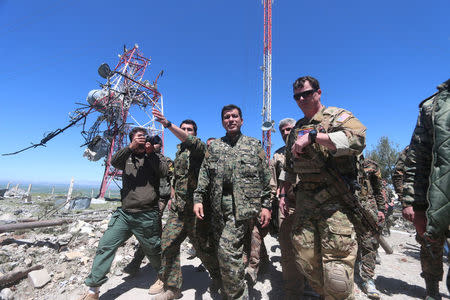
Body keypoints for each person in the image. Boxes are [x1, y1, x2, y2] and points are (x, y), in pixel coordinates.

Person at [283, 76, 366, 299]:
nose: (302, 99)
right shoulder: (296, 129)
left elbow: (358, 140)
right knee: (306, 261)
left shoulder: (338, 116)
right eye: (297, 96)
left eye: (307, 94)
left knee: (337, 274)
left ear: (318, 93)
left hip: (335, 203)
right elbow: (290, 167)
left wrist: (314, 137)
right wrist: (284, 193)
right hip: (305, 205)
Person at [78, 127, 168, 300]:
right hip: (125, 214)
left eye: (144, 137)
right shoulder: (126, 156)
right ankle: (93, 290)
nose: (142, 140)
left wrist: (150, 153)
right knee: (106, 246)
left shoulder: (155, 157)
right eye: (138, 137)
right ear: (132, 139)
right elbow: (114, 162)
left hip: (147, 214)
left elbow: (163, 171)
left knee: (154, 250)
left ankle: (164, 276)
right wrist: (130, 147)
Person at [193, 104, 272, 299]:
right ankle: (229, 282)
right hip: (219, 207)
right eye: (227, 117)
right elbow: (204, 174)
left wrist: (266, 205)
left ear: (241, 120)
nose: (231, 119)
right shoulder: (215, 147)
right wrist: (198, 198)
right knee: (226, 251)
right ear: (222, 122)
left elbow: (265, 177)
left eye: (235, 116)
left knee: (227, 251)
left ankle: (236, 295)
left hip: (243, 207)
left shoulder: (253, 145)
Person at [151, 109, 221, 300]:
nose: (186, 131)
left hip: (197, 209)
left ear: (195, 133)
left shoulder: (199, 149)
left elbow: (191, 142)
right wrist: (173, 194)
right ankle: (172, 288)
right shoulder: (180, 151)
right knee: (168, 244)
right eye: (183, 129)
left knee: (204, 249)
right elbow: (177, 177)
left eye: (189, 129)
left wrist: (168, 124)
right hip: (178, 210)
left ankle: (218, 279)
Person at [402, 79, 450, 300]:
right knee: (431, 247)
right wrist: (413, 203)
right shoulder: (433, 106)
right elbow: (417, 159)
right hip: (437, 198)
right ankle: (432, 292)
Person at [123, 135, 174, 276]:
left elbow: (173, 179)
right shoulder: (142, 158)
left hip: (161, 200)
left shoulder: (166, 160)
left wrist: (171, 197)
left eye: (155, 144)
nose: (152, 146)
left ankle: (137, 263)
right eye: (150, 143)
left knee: (150, 231)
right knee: (151, 232)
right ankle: (155, 261)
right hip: (147, 200)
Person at [270, 117, 306, 299]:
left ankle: (311, 283)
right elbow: (273, 182)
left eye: (289, 129)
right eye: (283, 130)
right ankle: (293, 291)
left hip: (309, 206)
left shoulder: (308, 150)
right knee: (287, 250)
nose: (286, 132)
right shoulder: (277, 156)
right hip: (287, 206)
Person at [355, 158, 385, 299]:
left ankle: (368, 280)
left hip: (368, 209)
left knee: (370, 244)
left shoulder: (371, 165)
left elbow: (378, 189)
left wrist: (381, 209)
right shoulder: (336, 160)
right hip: (345, 209)